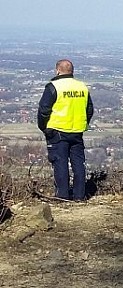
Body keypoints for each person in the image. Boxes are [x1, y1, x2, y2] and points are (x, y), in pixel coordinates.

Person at [37, 59, 94, 201]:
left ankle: (62, 196)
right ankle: (79, 196)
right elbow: (90, 110)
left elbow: (44, 110)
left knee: (60, 163)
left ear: (57, 70)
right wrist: (83, 124)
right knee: (78, 164)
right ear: (72, 71)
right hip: (77, 132)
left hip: (57, 131)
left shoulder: (53, 86)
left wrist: (44, 127)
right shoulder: (82, 87)